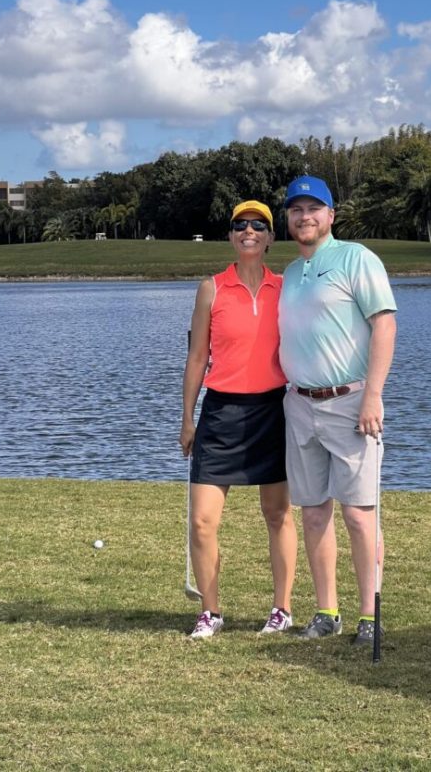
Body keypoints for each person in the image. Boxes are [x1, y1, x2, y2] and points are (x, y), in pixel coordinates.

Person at [278, 175, 396, 646]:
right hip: (299, 403)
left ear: (331, 215)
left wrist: (373, 395)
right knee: (312, 512)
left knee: (359, 513)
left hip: (350, 401)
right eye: (295, 210)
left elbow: (384, 325)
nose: (304, 217)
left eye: (313, 209)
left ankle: (370, 614)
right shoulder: (289, 273)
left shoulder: (356, 258)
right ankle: (327, 610)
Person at [179, 200, 298, 640]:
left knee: (278, 513)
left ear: (269, 239)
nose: (249, 231)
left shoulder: (286, 287)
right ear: (230, 236)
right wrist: (187, 419)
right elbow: (196, 358)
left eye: (259, 226)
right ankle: (210, 612)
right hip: (220, 412)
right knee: (202, 521)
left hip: (273, 410)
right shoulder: (211, 288)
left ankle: (281, 609)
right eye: (240, 225)